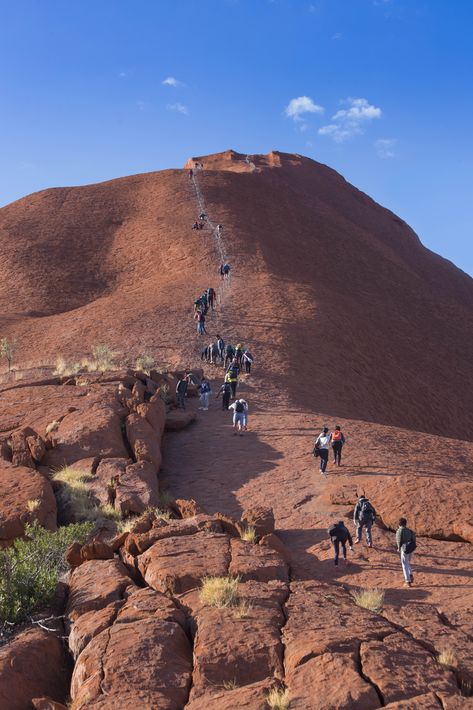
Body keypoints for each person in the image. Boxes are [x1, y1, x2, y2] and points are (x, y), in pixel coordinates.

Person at [396, 517, 416, 587]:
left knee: (404, 564)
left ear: (399, 524)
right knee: (407, 562)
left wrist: (398, 548)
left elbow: (398, 540)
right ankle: (410, 575)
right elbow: (414, 539)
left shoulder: (399, 531)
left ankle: (407, 581)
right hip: (411, 548)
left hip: (404, 549)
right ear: (405, 524)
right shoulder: (410, 531)